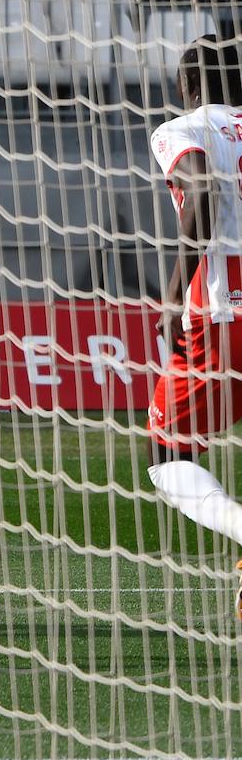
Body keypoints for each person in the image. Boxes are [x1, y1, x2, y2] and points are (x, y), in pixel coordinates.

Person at [144, 34, 242, 618]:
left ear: (187, 85)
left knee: (167, 451)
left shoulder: (178, 130)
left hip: (223, 312)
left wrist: (174, 287)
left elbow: (201, 188)